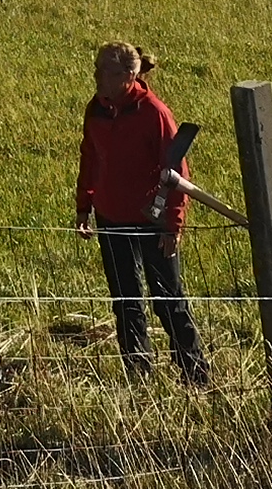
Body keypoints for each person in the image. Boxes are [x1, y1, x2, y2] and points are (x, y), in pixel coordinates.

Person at [74, 42, 206, 382]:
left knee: (168, 299)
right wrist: (84, 205)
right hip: (110, 217)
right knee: (125, 299)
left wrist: (173, 225)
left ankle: (195, 374)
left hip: (152, 219)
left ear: (129, 76)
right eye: (97, 68)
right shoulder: (96, 109)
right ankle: (138, 372)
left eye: (104, 71)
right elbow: (90, 158)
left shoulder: (154, 113)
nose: (96, 77)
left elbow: (178, 172)